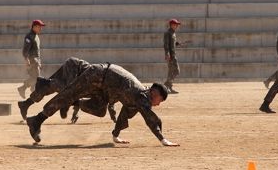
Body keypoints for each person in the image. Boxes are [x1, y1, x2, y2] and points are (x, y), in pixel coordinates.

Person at [25, 63, 179, 146]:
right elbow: (149, 118)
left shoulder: (140, 97)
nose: (158, 104)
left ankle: (70, 101)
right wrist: (162, 139)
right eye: (160, 100)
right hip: (97, 75)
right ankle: (37, 119)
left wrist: (115, 135)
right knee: (68, 93)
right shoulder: (142, 96)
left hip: (103, 86)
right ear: (155, 94)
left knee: (99, 109)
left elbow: (126, 112)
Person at [17, 56, 117, 124]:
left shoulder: (100, 94)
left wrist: (75, 111)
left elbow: (81, 98)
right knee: (68, 91)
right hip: (73, 66)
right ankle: (49, 84)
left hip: (76, 71)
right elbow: (77, 93)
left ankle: (25, 104)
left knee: (48, 88)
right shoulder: (103, 86)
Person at [17, 19, 44, 98]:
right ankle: (23, 88)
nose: (40, 29)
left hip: (36, 60)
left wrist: (39, 62)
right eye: (39, 27)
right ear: (34, 27)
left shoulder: (36, 36)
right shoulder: (29, 36)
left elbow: (37, 51)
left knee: (35, 77)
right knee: (36, 77)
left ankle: (32, 90)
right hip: (32, 59)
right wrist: (26, 59)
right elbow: (25, 50)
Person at [163, 18, 182, 94]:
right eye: (175, 24)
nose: (177, 26)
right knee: (175, 71)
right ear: (171, 25)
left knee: (174, 71)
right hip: (170, 56)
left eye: (177, 25)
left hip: (173, 55)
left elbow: (172, 43)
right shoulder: (168, 33)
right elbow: (166, 44)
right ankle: (167, 85)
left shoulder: (173, 33)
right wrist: (167, 54)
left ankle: (169, 86)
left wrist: (176, 43)